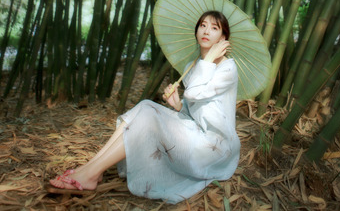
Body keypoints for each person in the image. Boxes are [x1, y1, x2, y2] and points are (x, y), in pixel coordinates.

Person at [47, 10, 240, 204]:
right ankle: (91, 168)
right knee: (145, 106)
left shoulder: (227, 68)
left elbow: (193, 93)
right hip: (194, 131)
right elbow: (195, 109)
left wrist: (208, 60)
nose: (206, 31)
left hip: (213, 147)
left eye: (214, 28)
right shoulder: (193, 65)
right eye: (203, 25)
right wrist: (178, 105)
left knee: (148, 115)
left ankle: (91, 173)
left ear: (223, 38)